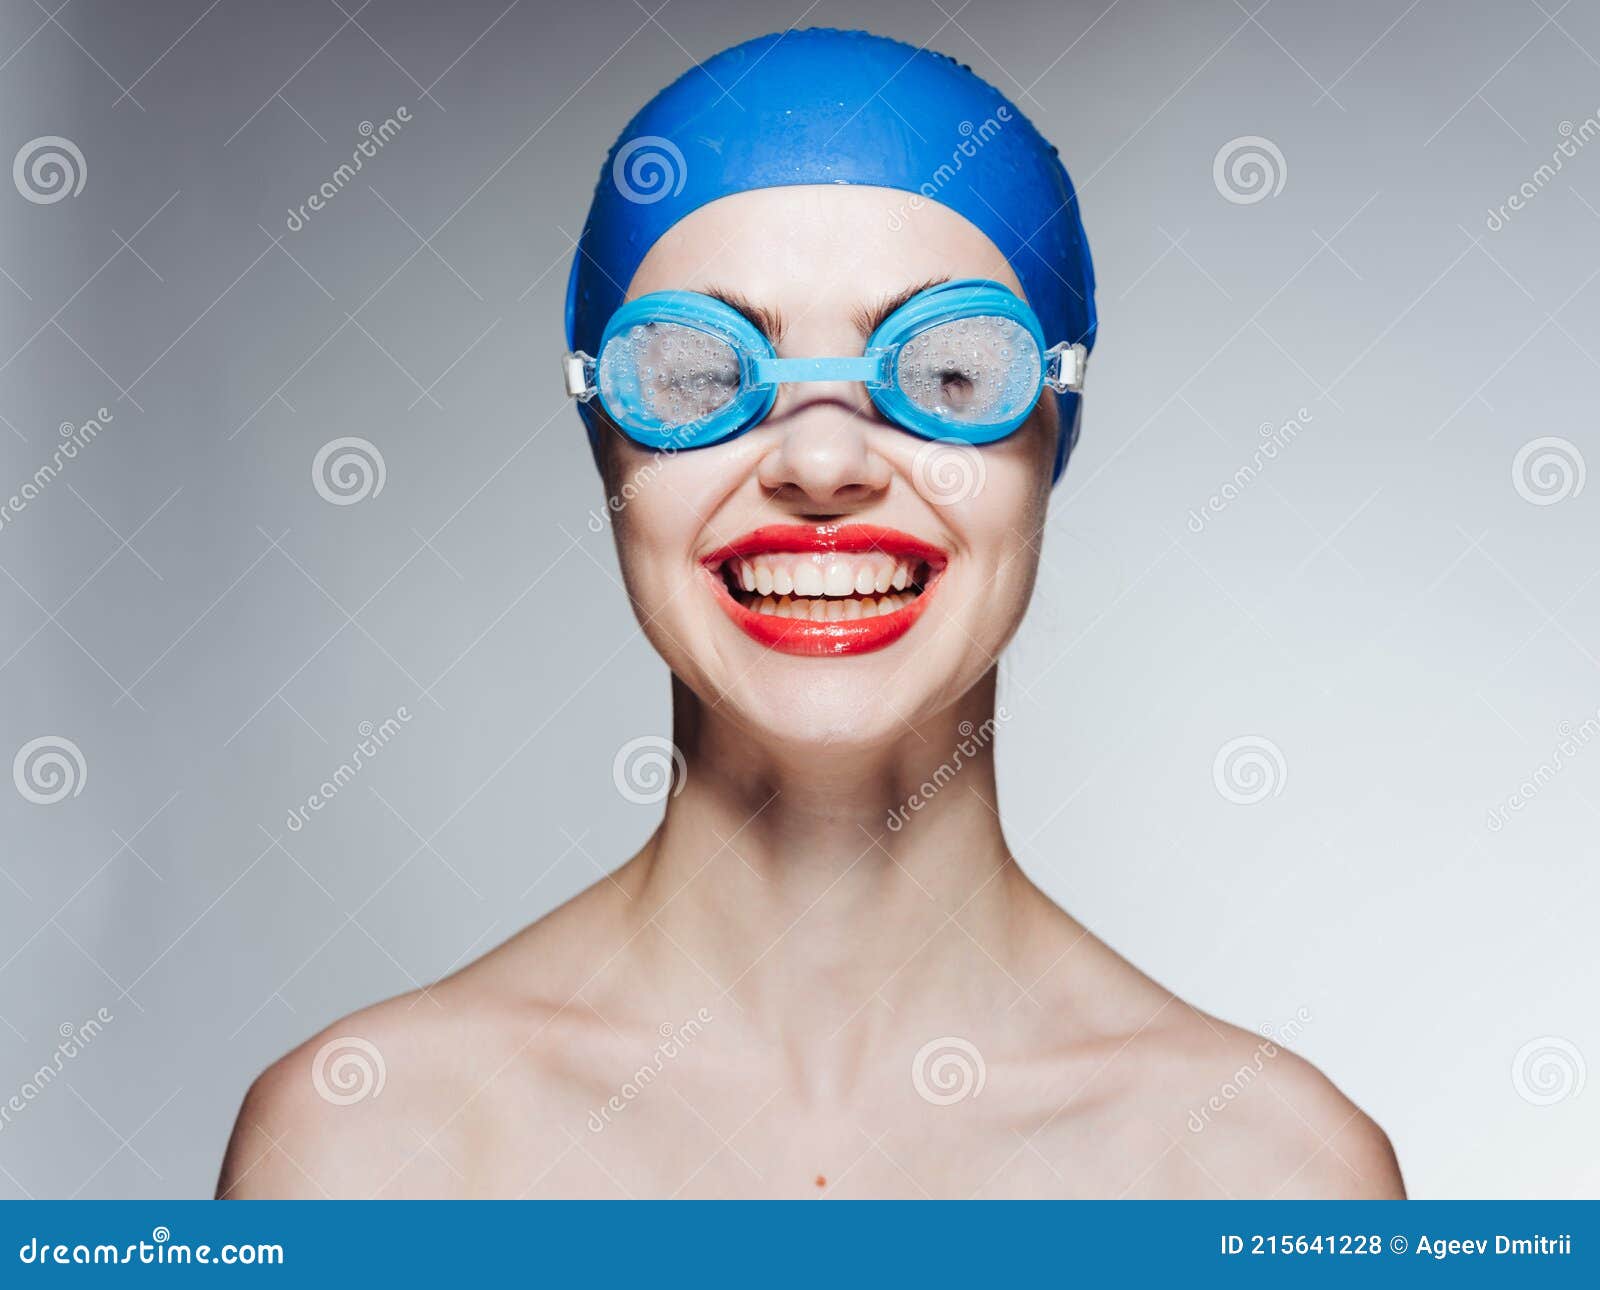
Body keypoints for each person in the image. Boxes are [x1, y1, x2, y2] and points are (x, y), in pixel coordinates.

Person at [218, 28, 1403, 1200]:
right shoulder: (367, 1148)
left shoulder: (1267, 1177)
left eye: (945, 374)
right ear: (608, 446)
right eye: (702, 375)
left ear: (1052, 431)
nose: (824, 457)